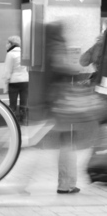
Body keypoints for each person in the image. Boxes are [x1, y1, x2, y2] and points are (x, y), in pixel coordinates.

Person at [44, 21, 80, 194]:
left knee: (67, 141)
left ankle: (66, 182)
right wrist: (75, 68)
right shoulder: (57, 46)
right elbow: (61, 66)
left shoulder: (49, 45)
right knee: (68, 142)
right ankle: (66, 184)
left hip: (57, 99)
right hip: (63, 100)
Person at [2, 35, 29, 124]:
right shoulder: (24, 52)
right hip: (25, 81)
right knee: (23, 103)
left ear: (11, 43)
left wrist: (6, 83)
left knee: (12, 104)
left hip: (14, 82)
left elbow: (7, 71)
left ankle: (13, 122)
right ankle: (23, 121)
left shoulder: (10, 54)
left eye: (7, 43)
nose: (6, 45)